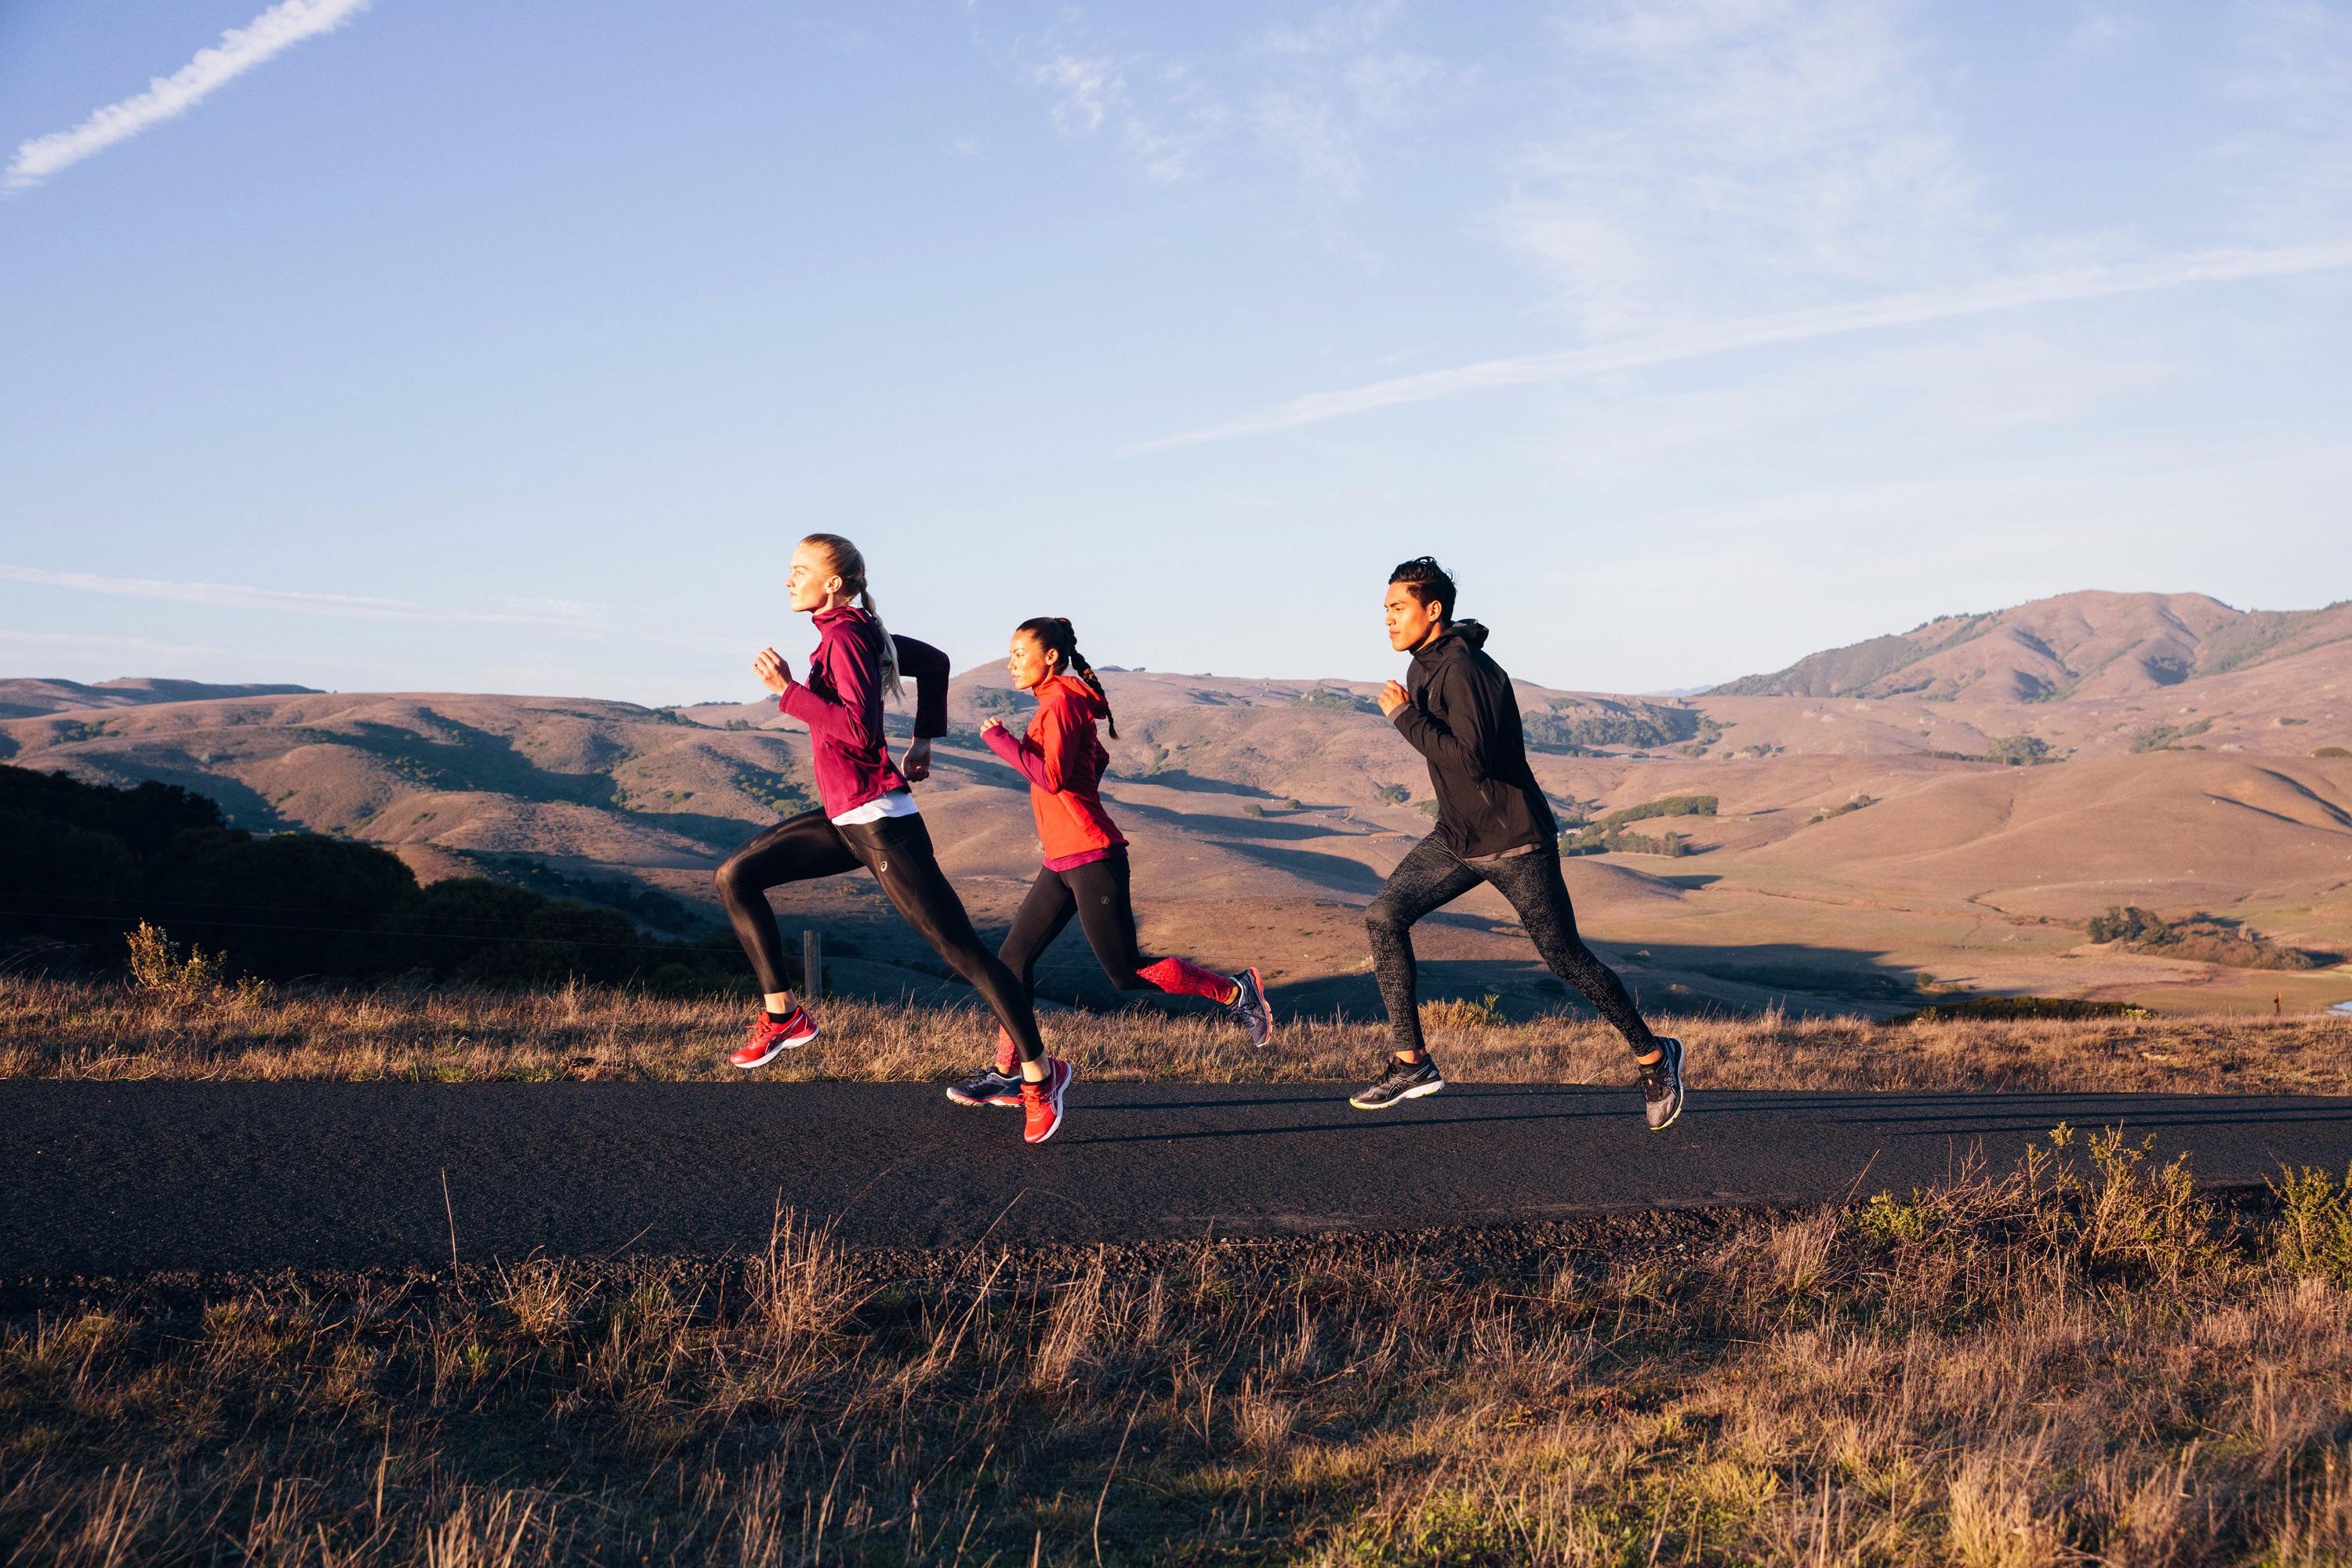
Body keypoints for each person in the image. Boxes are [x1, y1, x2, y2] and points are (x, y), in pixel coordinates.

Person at [715, 534, 1074, 1144]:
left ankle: (1041, 1076)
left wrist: (788, 693)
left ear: (833, 583)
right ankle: (783, 1015)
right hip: (845, 818)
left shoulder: (849, 637)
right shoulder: (856, 630)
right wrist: (925, 738)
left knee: (963, 954)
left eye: (799, 570)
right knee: (736, 876)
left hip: (880, 822)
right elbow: (934, 662)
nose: (787, 580)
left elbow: (856, 729)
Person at [1352, 557, 1686, 1128]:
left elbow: (1474, 761)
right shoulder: (1421, 669)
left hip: (1514, 843)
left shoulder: (1464, 669)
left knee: (1565, 958)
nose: (1387, 618)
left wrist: (1404, 720)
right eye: (1385, 609)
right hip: (1458, 839)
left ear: (1433, 611)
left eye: (1398, 607)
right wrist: (1409, 712)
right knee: (1384, 916)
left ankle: (1656, 1057)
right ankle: (1412, 1062)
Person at [944, 616, 1275, 1108]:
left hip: (1092, 856)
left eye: (1019, 653)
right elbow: (1093, 764)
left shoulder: (1059, 704)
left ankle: (1236, 992)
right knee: (1012, 961)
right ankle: (1006, 1072)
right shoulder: (1063, 704)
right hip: (1063, 857)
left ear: (1049, 657)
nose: (1011, 663)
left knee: (1124, 973)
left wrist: (1000, 741)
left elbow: (1052, 778)